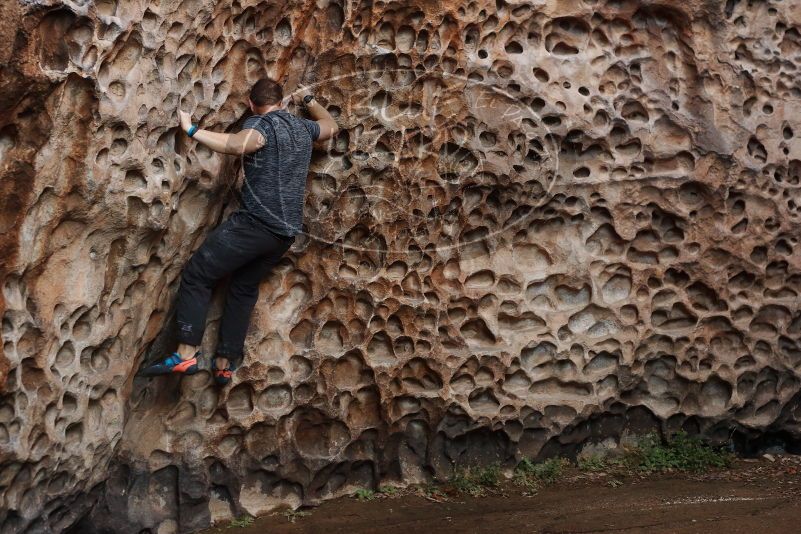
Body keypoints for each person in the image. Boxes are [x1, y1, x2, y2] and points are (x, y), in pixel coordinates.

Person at [140, 77, 339, 385]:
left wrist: (191, 129)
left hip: (255, 224)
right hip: (284, 234)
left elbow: (237, 144)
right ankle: (224, 363)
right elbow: (331, 126)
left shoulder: (261, 125)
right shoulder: (302, 128)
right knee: (244, 288)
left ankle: (185, 353)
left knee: (197, 274)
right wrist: (309, 100)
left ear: (250, 104)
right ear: (282, 101)